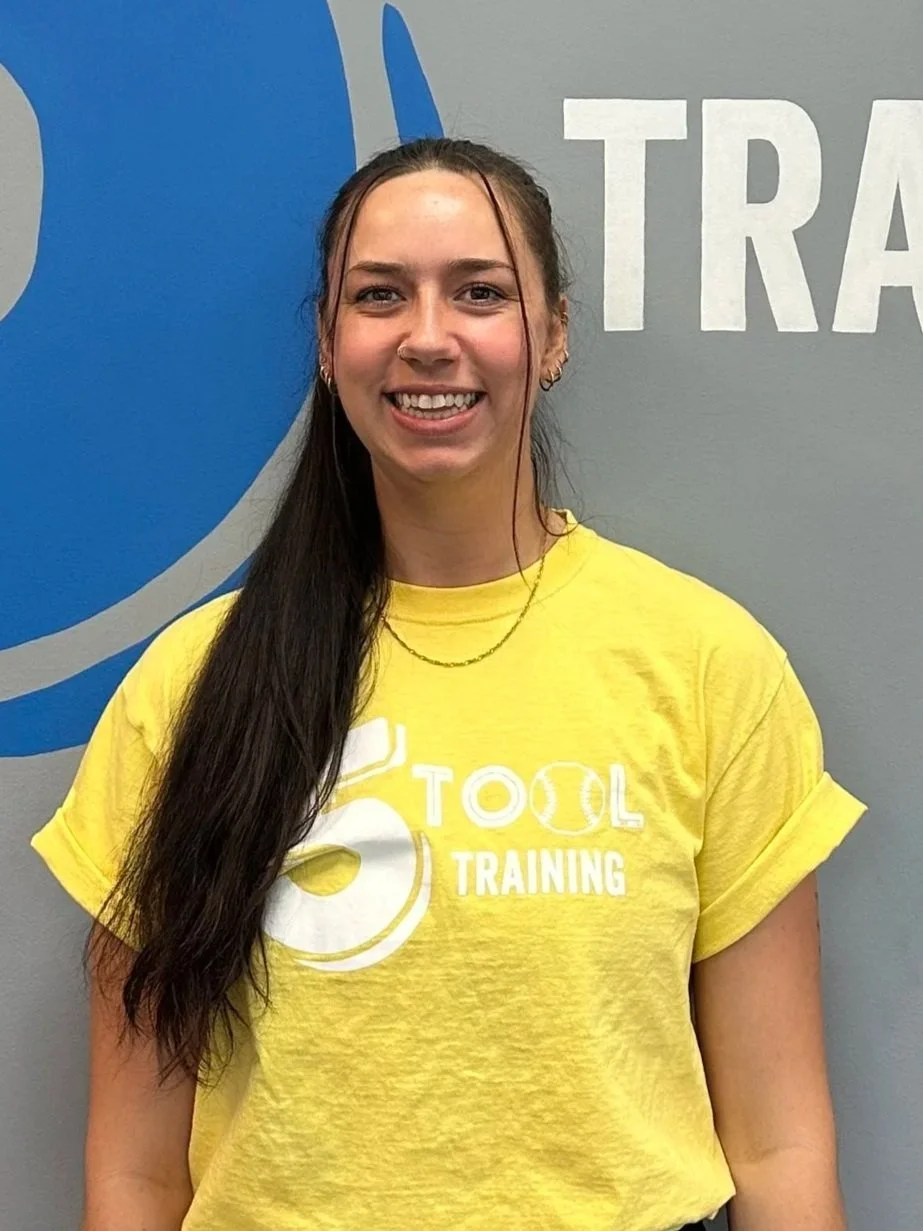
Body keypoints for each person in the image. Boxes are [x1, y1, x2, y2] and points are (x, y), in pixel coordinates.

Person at [31, 137, 867, 1231]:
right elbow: (137, 1174)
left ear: (552, 335)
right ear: (328, 343)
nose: (428, 337)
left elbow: (776, 1143)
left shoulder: (706, 663)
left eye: (480, 291)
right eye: (379, 295)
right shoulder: (193, 687)